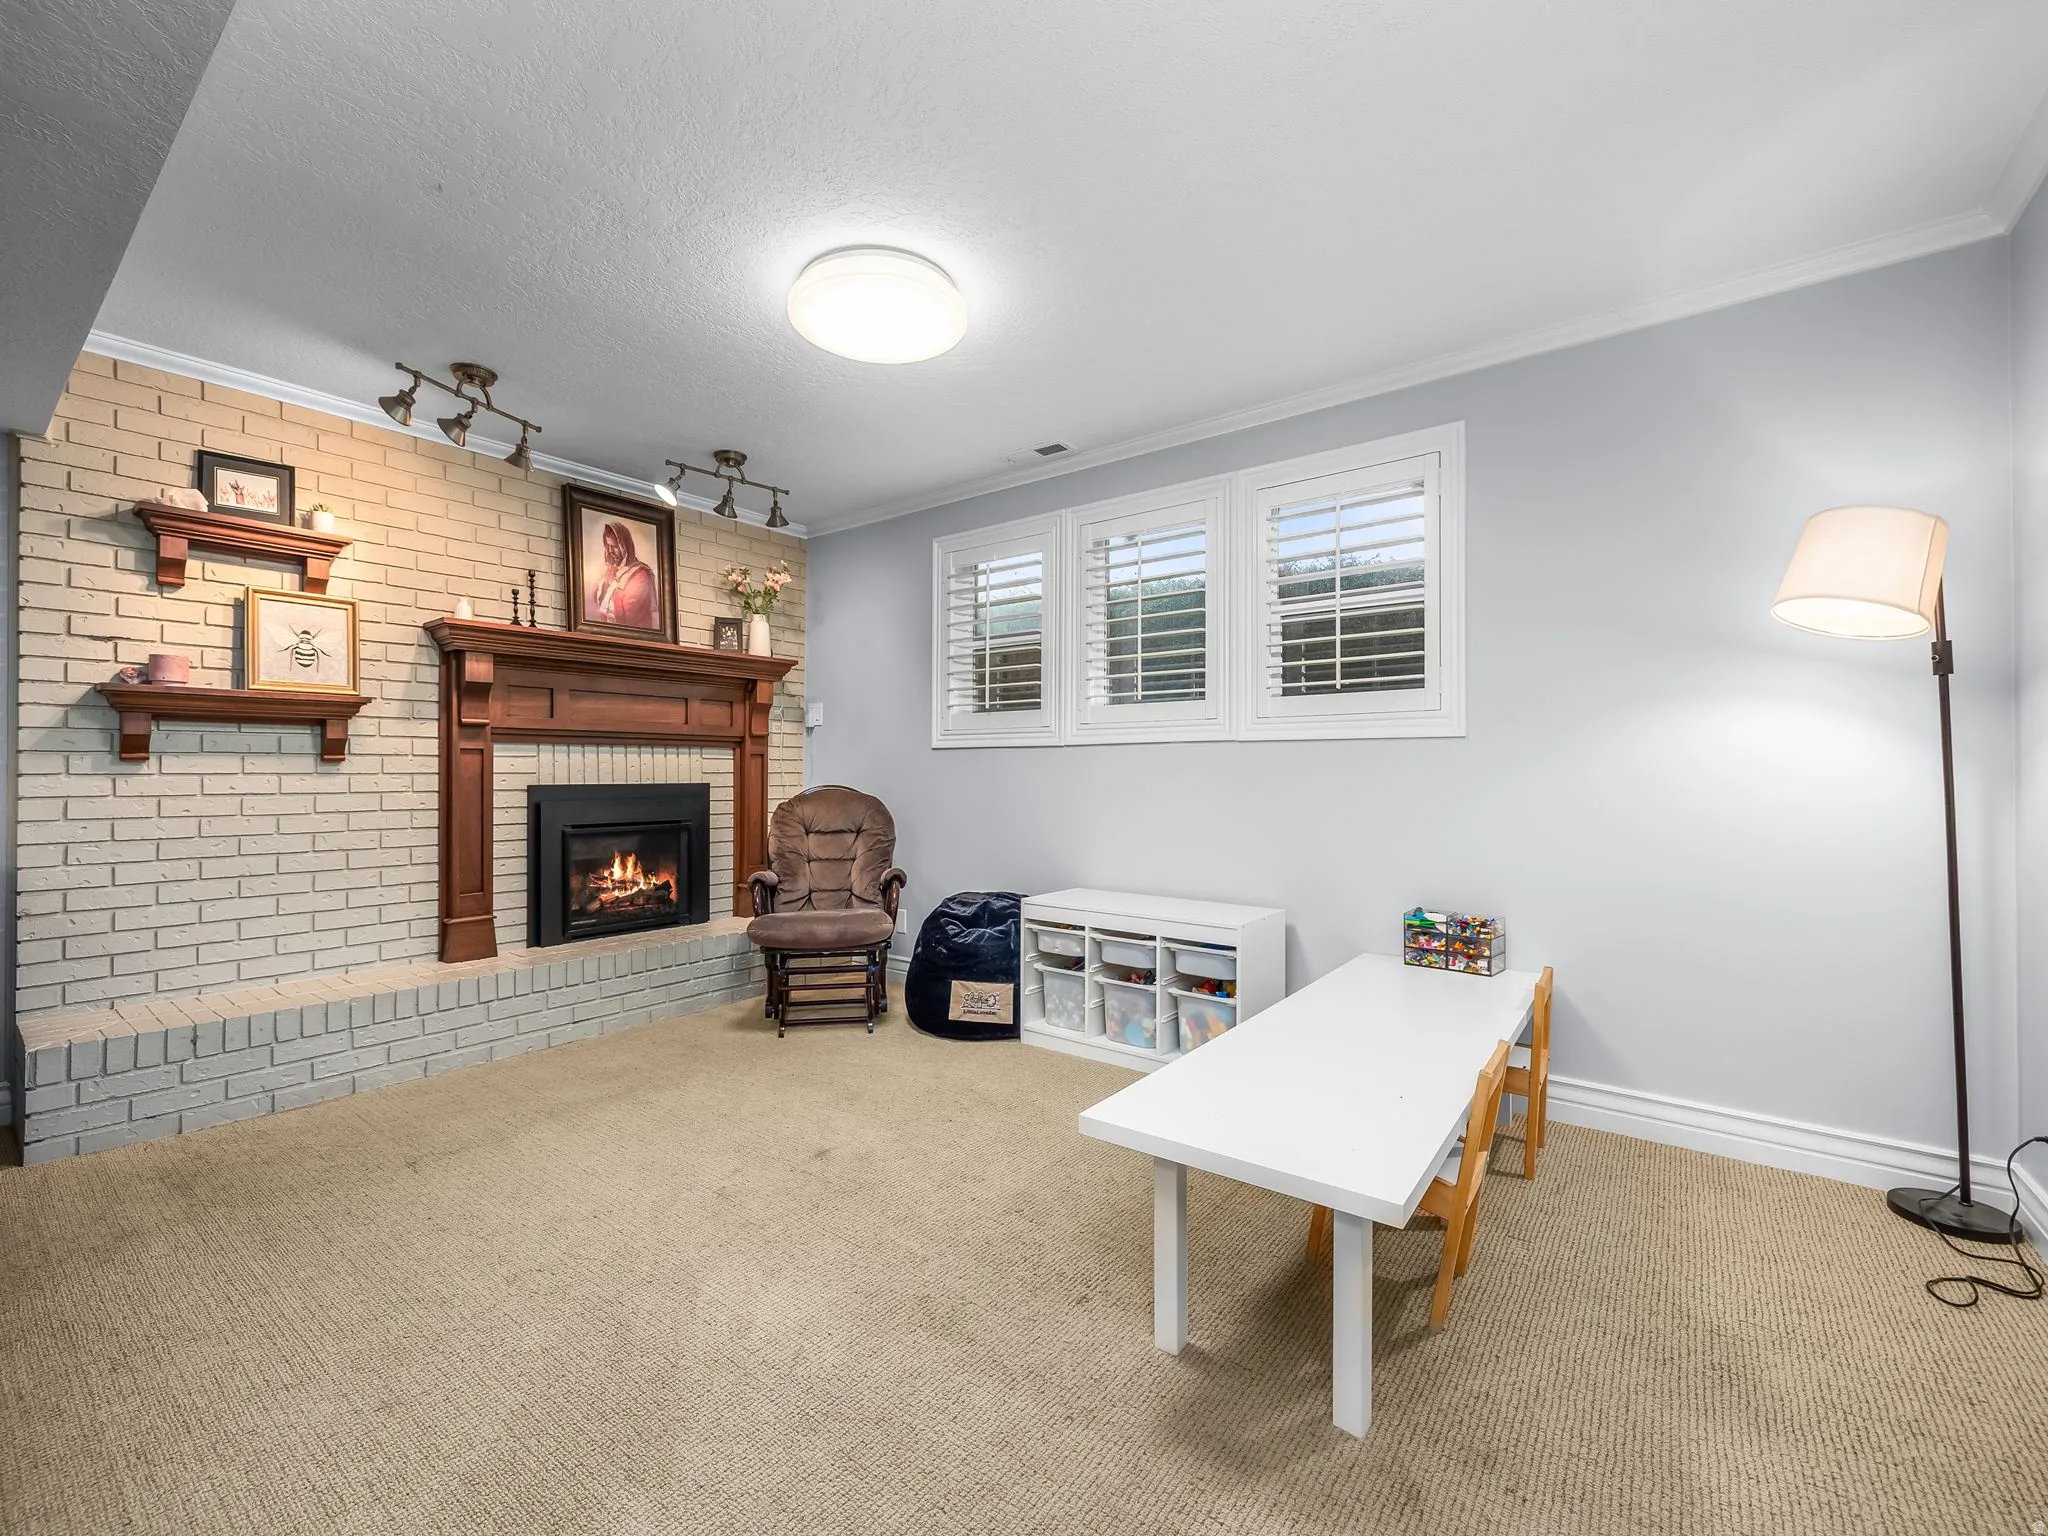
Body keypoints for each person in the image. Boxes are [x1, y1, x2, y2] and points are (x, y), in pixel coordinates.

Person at [590, 520, 658, 629]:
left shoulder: (641, 574)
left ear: (625, 546)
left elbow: (628, 614)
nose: (611, 551)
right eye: (608, 546)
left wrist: (612, 582)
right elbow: (598, 602)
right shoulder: (612, 569)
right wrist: (605, 583)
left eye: (615, 546)